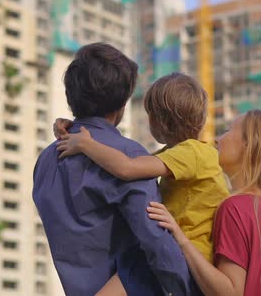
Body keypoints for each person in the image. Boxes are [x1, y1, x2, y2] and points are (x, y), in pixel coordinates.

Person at [33, 43, 197, 296]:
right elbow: (157, 243)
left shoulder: (45, 163)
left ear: (71, 96)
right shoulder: (129, 156)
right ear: (123, 101)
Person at [56, 73, 230, 294]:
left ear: (161, 122)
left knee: (130, 271)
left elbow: (127, 168)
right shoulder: (185, 154)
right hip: (184, 256)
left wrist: (85, 144)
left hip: (188, 261)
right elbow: (126, 160)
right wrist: (73, 129)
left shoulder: (192, 154)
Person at [147, 110, 261, 295]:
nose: (217, 139)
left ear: (250, 144)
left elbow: (229, 292)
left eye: (227, 130)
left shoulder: (236, 208)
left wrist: (180, 238)